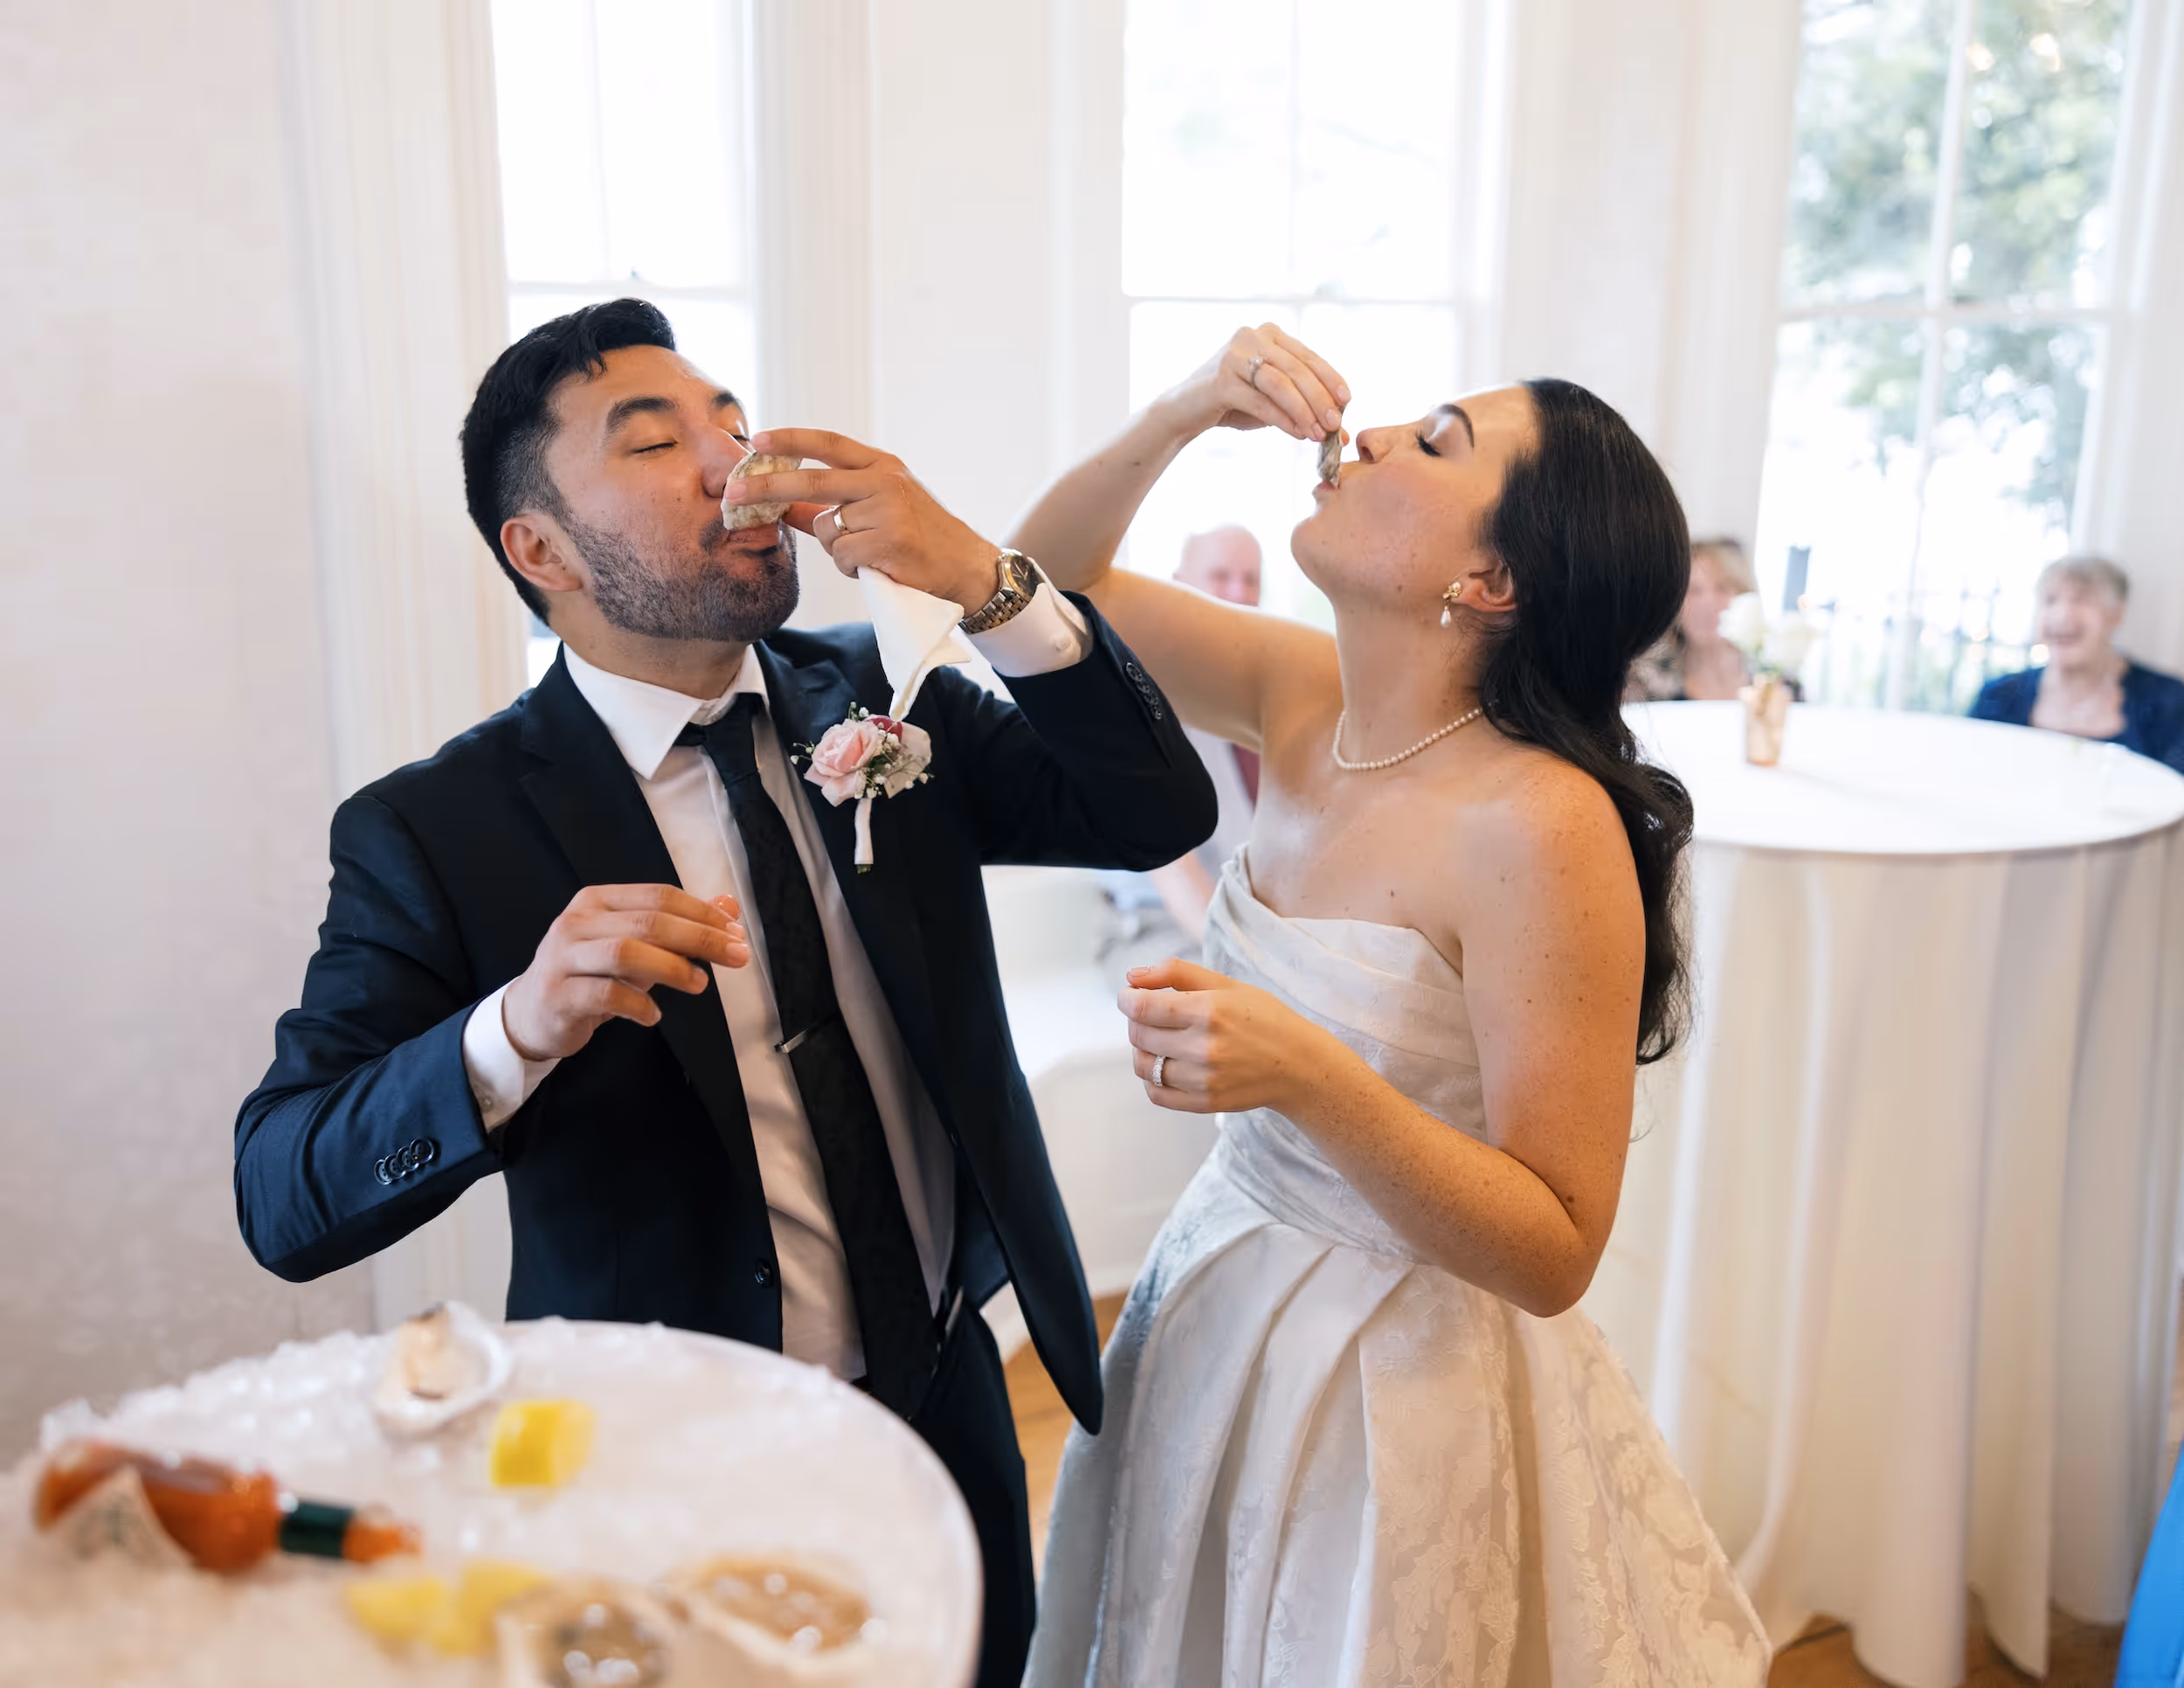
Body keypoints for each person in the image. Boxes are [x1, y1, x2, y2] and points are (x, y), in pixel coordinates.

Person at [232, 299, 1217, 1687]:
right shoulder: (437, 830)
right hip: (664, 1466)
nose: (738, 468)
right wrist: (511, 1033)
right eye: (657, 443)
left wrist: (990, 584)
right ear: (541, 549)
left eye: (737, 427)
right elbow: (282, 1192)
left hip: (950, 1399)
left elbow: (1150, 808)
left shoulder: (879, 693)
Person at [1015, 325, 1769, 1685]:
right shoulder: (1300, 692)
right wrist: (1189, 407)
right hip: (1213, 1289)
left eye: (1433, 442)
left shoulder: (1545, 828)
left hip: (1387, 1381)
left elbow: (1555, 1250)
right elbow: (1036, 583)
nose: (1361, 438)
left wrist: (1307, 1073)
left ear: (1490, 578)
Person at [1108, 526, 1264, 951]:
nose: (1238, 592)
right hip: (1163, 926)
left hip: (1246, 919)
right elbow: (1174, 870)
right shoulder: (1139, 694)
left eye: (1251, 579)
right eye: (1220, 575)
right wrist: (1253, 963)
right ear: (1179, 585)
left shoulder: (1252, 699)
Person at [1969, 556, 2184, 772]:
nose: (2062, 616)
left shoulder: (2170, 704)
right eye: (2050, 600)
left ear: (2116, 614)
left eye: (2083, 600)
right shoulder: (1997, 698)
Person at [1624, 536, 1758, 702]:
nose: (1708, 604)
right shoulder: (1644, 682)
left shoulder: (1772, 676)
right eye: (1693, 590)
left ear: (1744, 594)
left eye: (1723, 588)